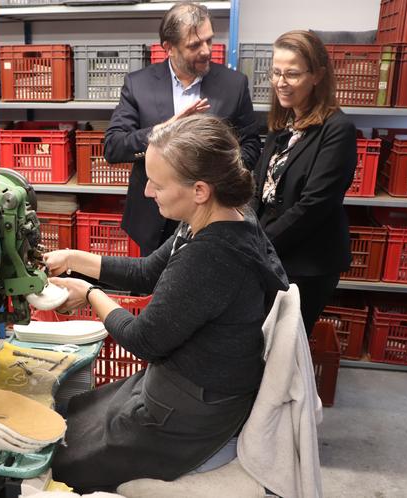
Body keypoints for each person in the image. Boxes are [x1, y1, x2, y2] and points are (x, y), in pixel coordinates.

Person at [46, 114, 289, 493]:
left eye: (157, 184)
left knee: (61, 459)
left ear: (199, 189)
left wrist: (91, 295)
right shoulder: (216, 215)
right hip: (185, 381)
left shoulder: (213, 256)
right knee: (71, 417)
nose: (146, 192)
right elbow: (146, 272)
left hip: (193, 409)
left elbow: (145, 340)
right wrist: (75, 259)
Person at [104, 1, 261, 256]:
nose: (206, 50)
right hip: (155, 217)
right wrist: (164, 129)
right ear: (169, 48)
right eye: (194, 45)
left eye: (209, 40)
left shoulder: (234, 85)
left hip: (213, 214)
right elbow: (114, 147)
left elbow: (252, 143)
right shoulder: (138, 84)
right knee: (151, 286)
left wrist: (222, 179)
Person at [251, 30, 357, 336]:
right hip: (271, 251)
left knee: (284, 346)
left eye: (292, 74)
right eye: (276, 72)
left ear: (317, 76)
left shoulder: (337, 130)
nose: (281, 82)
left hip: (306, 263)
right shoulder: (283, 122)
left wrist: (258, 246)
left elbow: (314, 206)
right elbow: (259, 187)